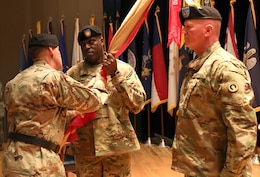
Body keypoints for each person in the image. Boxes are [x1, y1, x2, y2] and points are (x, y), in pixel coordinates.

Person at [3, 33, 108, 177]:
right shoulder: (52, 78)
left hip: (12, 160)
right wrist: (101, 78)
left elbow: (32, 116)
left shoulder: (13, 82)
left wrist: (71, 115)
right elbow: (93, 101)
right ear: (51, 50)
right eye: (58, 50)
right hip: (40, 164)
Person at [171, 6, 258, 177]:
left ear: (208, 30)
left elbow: (243, 130)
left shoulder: (226, 68)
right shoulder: (199, 65)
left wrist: (230, 173)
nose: (184, 32)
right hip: (200, 169)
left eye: (189, 27)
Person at [66, 25, 146, 177]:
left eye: (91, 42)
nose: (87, 47)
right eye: (83, 45)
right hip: (85, 149)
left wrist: (115, 75)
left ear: (102, 41)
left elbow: (137, 104)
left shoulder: (123, 70)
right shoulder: (73, 75)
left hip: (117, 147)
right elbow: (64, 110)